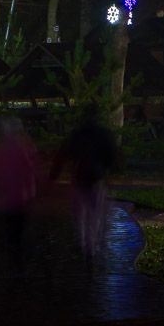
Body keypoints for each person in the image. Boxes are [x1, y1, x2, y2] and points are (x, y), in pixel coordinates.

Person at [50, 111, 118, 259]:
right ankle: (91, 245)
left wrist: (53, 175)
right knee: (95, 213)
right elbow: (112, 154)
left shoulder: (77, 135)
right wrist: (108, 170)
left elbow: (62, 154)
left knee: (79, 213)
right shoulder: (103, 134)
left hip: (79, 177)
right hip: (97, 177)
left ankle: (82, 242)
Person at [0, 117, 37, 272]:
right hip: (21, 197)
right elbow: (30, 171)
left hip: (6, 199)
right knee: (18, 229)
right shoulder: (24, 147)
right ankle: (18, 260)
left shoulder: (0, 150)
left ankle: (12, 259)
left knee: (9, 229)